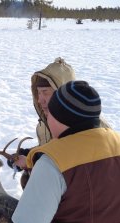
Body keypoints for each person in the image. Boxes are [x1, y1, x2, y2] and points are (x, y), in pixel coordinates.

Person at [0, 81, 120, 223]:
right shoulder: (119, 142)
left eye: (49, 114)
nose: (47, 118)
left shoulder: (53, 163)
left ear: (61, 118)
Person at [9, 57, 110, 188]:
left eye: (45, 92)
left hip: (88, 193)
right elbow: (54, 146)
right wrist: (29, 153)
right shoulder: (46, 124)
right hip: (63, 185)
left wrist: (32, 161)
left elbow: (81, 162)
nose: (40, 100)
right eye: (38, 93)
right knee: (29, 179)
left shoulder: (89, 125)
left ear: (62, 93)